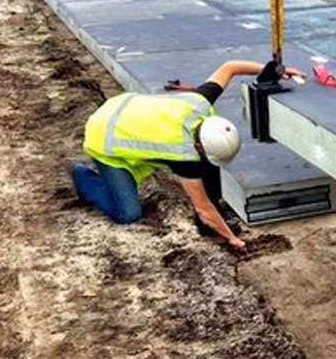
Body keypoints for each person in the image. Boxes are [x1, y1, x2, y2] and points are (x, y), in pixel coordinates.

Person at [72, 60, 303, 251]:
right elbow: (203, 208)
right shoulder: (182, 155)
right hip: (105, 134)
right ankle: (83, 176)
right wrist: (231, 239)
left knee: (208, 168)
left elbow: (230, 67)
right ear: (200, 147)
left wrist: (273, 70)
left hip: (126, 107)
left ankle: (210, 217)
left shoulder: (201, 103)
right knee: (128, 213)